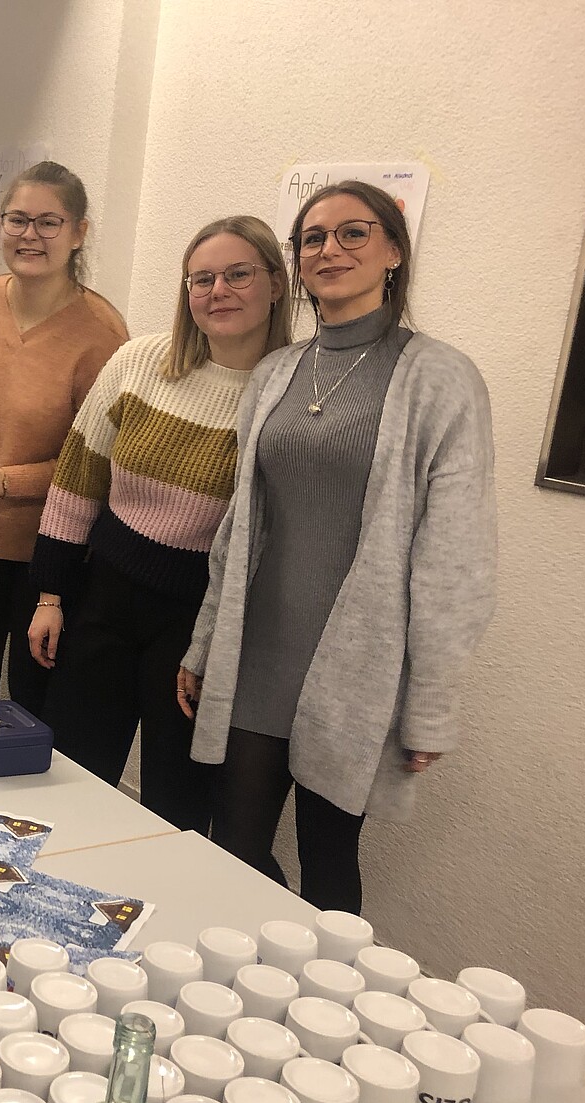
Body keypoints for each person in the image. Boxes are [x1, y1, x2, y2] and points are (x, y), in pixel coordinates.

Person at [178, 181, 497, 913]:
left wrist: (432, 703)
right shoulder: (277, 372)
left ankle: (322, 983)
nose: (331, 250)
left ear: (394, 252)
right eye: (313, 238)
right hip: (258, 653)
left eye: (354, 233)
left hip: (358, 667)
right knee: (234, 849)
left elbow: (457, 558)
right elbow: (238, 533)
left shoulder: (440, 378)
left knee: (328, 860)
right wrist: (205, 644)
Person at [28, 217, 292, 834]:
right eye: (202, 279)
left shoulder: (287, 393)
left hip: (199, 623)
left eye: (238, 274)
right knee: (70, 776)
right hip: (104, 598)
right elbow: (77, 480)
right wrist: (50, 595)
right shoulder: (140, 362)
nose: (218, 291)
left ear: (277, 285)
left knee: (179, 802)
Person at [0, 160, 128, 710]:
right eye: (17, 220)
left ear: (78, 232)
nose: (30, 235)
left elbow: (99, 463)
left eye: (48, 222)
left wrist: (6, 481)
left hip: (51, 558)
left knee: (33, 709)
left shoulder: (101, 334)